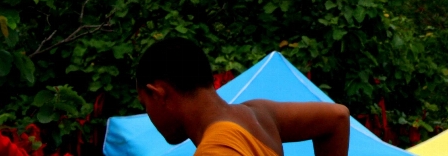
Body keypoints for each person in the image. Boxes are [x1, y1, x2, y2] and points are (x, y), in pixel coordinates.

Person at [136, 39, 349, 156]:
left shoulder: (216, 151)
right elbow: (337, 117)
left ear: (158, 94)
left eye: (145, 106)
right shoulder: (259, 114)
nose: (149, 116)